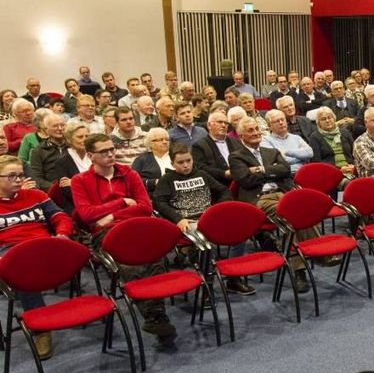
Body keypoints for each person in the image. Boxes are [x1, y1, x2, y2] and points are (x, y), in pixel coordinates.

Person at [70, 133, 175, 344]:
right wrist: (121, 203)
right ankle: (155, 315)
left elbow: (145, 208)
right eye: (104, 152)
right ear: (91, 155)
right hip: (106, 234)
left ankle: (155, 313)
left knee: (156, 257)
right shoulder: (80, 180)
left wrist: (109, 215)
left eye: (111, 149)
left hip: (134, 226)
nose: (110, 154)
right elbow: (87, 215)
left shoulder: (129, 173)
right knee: (131, 262)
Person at [153, 144, 253, 296]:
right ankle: (208, 286)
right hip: (188, 222)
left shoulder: (201, 174)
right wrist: (178, 218)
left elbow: (224, 191)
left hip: (209, 218)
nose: (186, 165)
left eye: (188, 160)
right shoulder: (167, 179)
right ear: (172, 163)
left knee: (239, 235)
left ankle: (233, 279)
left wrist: (216, 210)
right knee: (206, 246)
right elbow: (159, 203)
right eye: (180, 162)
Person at [0, 154, 73, 360]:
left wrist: (62, 233)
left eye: (21, 175)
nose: (18, 180)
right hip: (9, 252)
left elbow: (59, 216)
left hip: (44, 246)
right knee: (23, 270)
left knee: (78, 253)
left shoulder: (36, 196)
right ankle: (41, 328)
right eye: (11, 176)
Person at [228, 117, 311, 293]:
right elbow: (245, 180)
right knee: (290, 216)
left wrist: (261, 169)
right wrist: (272, 171)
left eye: (257, 129)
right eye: (250, 130)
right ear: (241, 135)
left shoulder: (270, 151)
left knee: (303, 209)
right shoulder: (236, 156)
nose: (256, 133)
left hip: (282, 193)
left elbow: (285, 171)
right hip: (259, 199)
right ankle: (300, 271)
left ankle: (313, 251)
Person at [191, 110, 241, 186]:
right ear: (209, 125)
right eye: (220, 122)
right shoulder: (199, 146)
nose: (224, 125)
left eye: (226, 123)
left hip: (240, 183)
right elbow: (201, 169)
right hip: (216, 186)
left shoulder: (236, 142)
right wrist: (224, 173)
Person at [307, 110, 356, 186]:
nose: (327, 120)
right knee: (351, 185)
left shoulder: (345, 133)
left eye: (329, 117)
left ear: (334, 119)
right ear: (318, 123)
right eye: (323, 119)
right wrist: (339, 169)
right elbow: (317, 162)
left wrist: (354, 166)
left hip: (351, 169)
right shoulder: (314, 138)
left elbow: (355, 152)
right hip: (331, 172)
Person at [263, 109, 314, 174]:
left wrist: (287, 152)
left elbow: (310, 153)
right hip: (286, 176)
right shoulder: (266, 141)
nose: (281, 123)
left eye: (282, 119)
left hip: (306, 172)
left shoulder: (296, 137)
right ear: (269, 126)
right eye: (277, 121)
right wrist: (302, 157)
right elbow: (278, 161)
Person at [28, 112, 68, 191]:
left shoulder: (73, 146)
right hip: (51, 190)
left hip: (74, 186)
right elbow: (36, 177)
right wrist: (55, 188)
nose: (60, 129)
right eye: (55, 126)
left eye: (62, 125)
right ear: (46, 129)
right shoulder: (39, 150)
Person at [131, 127, 173, 192]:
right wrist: (154, 182)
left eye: (167, 139)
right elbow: (132, 181)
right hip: (152, 195)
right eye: (161, 140)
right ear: (151, 143)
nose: (165, 142)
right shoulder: (141, 160)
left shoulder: (175, 156)